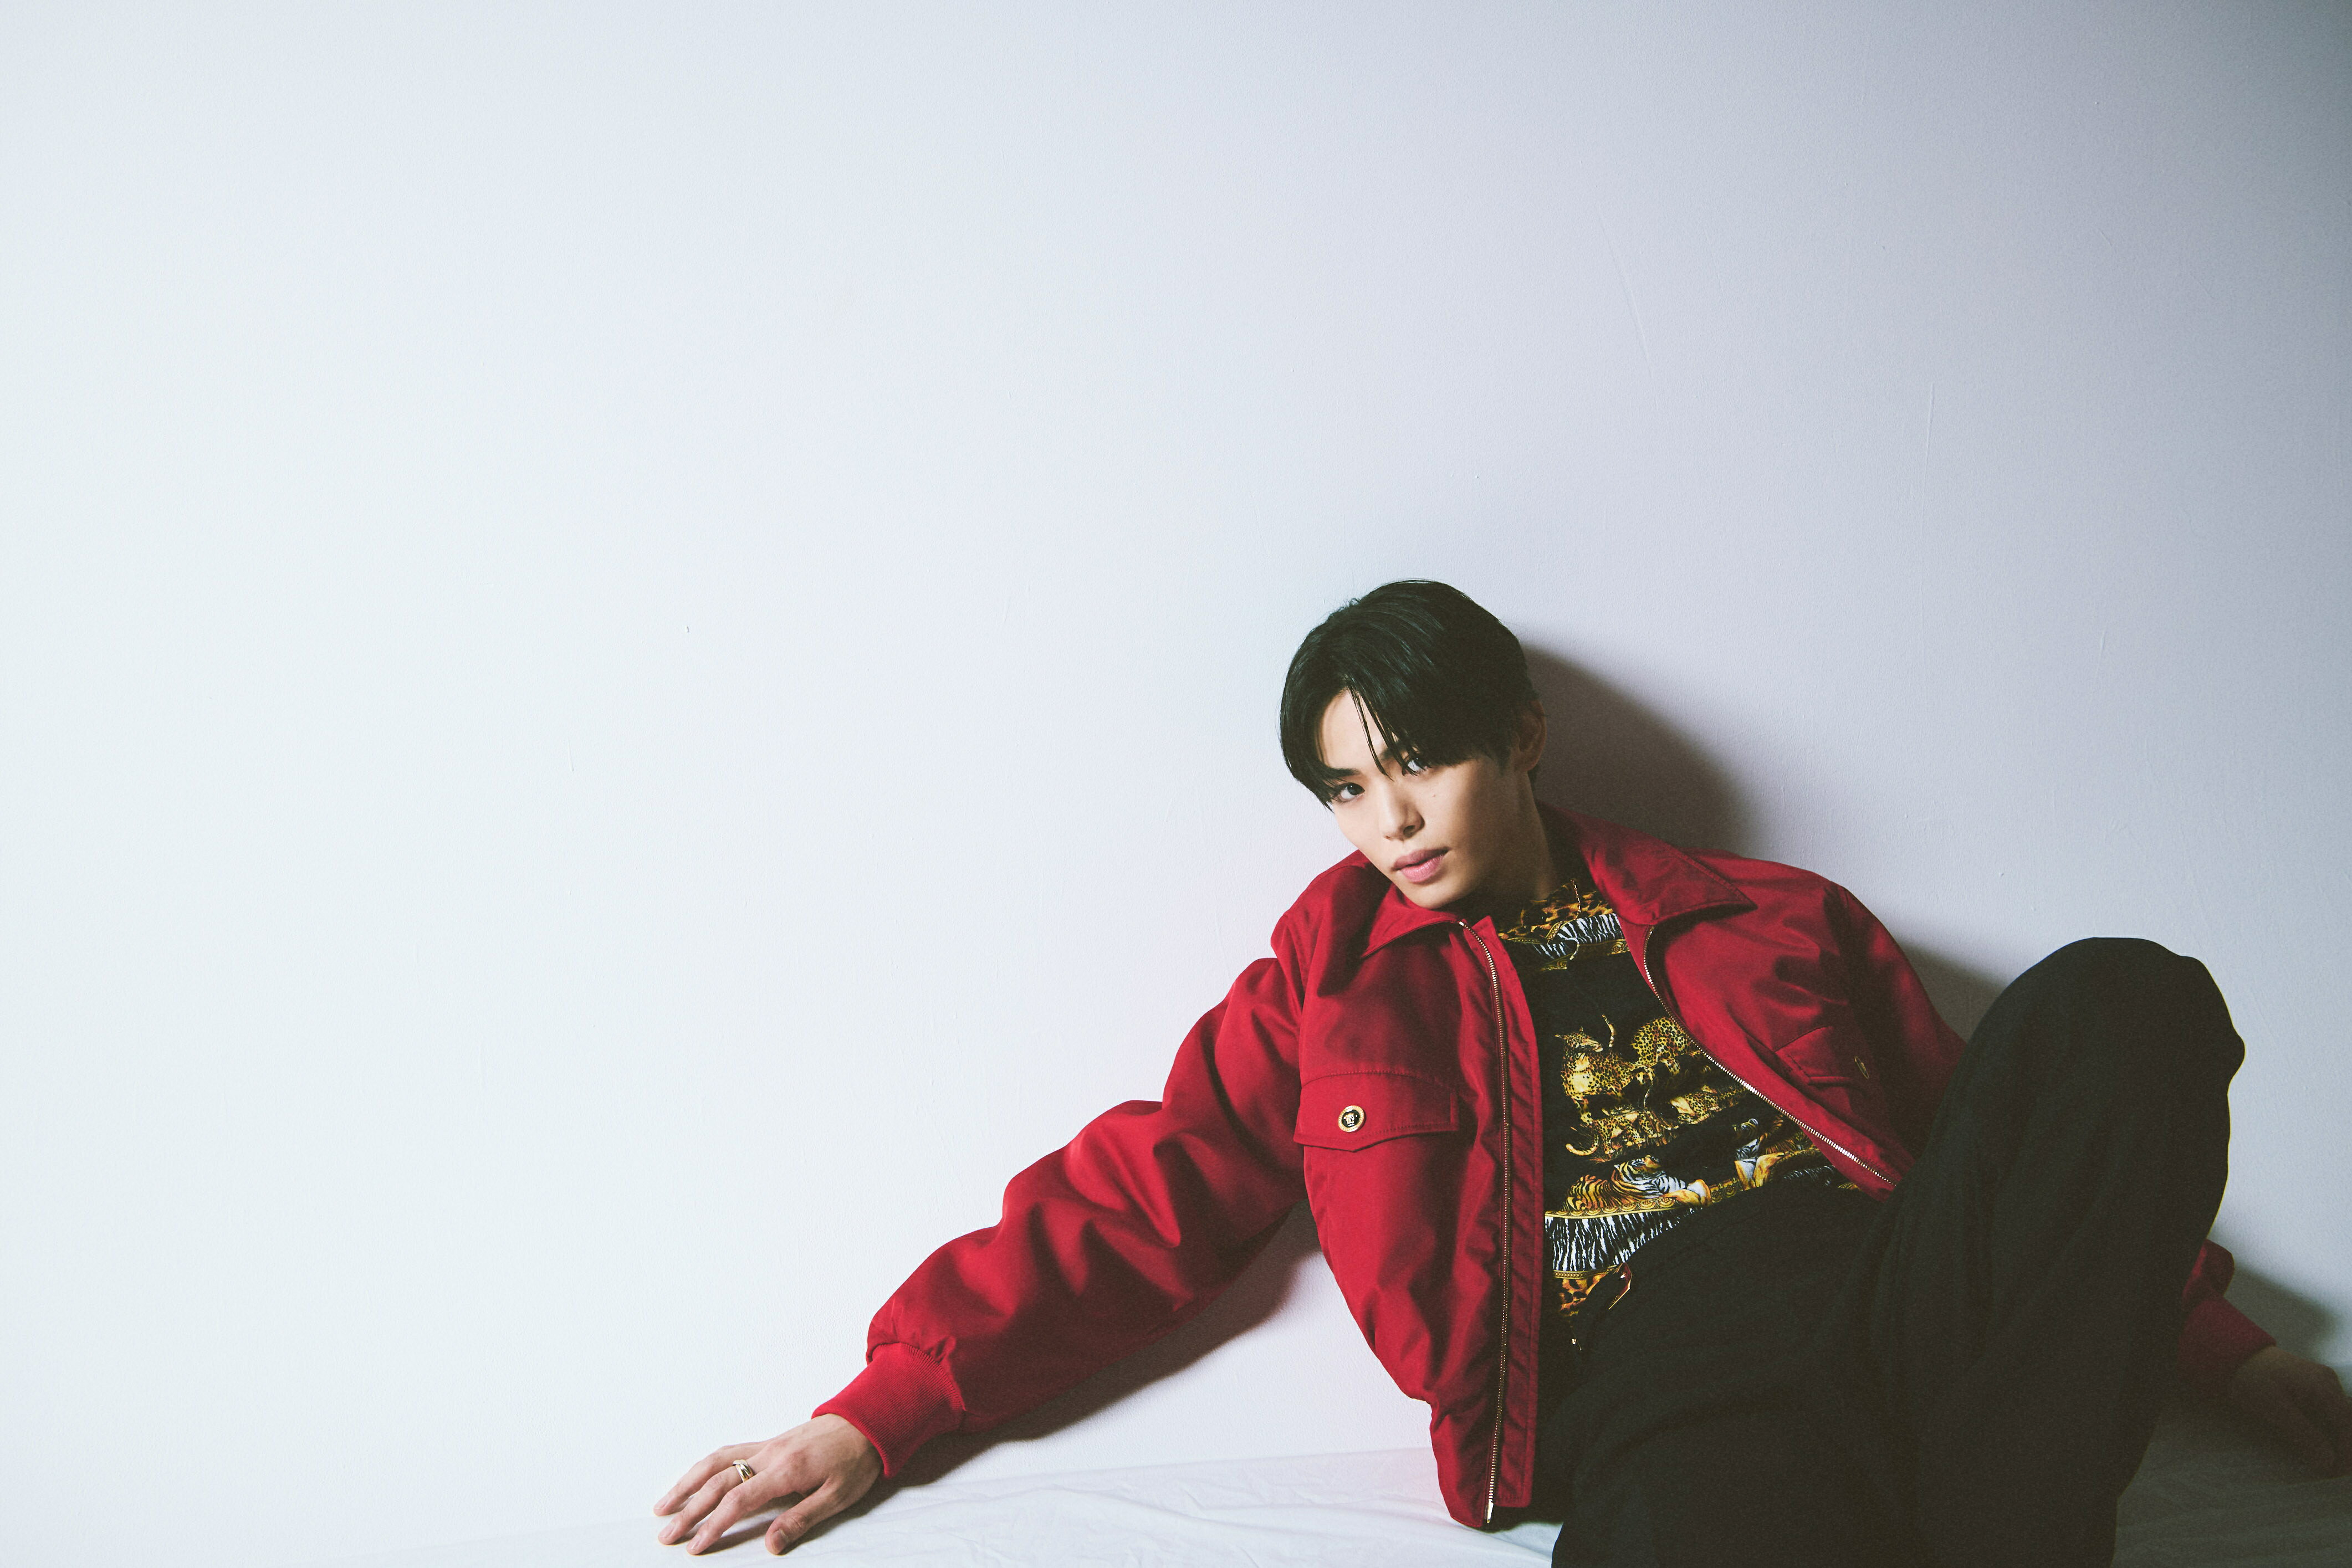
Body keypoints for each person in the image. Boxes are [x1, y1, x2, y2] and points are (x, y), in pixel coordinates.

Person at [654, 581, 2352, 1565]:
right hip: (1664, 1363)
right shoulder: (1326, 991)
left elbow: (2005, 1154)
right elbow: (1138, 1200)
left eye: (1420, 762)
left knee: (2127, 998)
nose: (1388, 821)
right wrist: (879, 1415)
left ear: (1520, 740)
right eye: (1344, 787)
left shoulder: (1769, 916)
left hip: (1890, 1287)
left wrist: (2221, 1349)